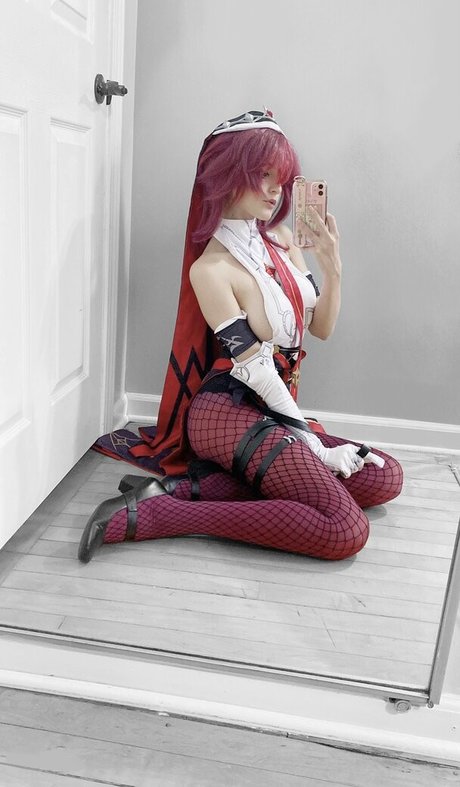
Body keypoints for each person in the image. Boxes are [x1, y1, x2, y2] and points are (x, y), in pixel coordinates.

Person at [79, 109, 403, 564]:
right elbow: (260, 373)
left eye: (280, 177)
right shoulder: (210, 270)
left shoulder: (284, 240)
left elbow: (321, 329)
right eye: (262, 175)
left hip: (272, 411)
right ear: (227, 176)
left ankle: (182, 490)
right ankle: (158, 515)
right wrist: (314, 447)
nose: (275, 189)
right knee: (343, 529)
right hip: (227, 411)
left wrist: (334, 269)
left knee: (386, 477)